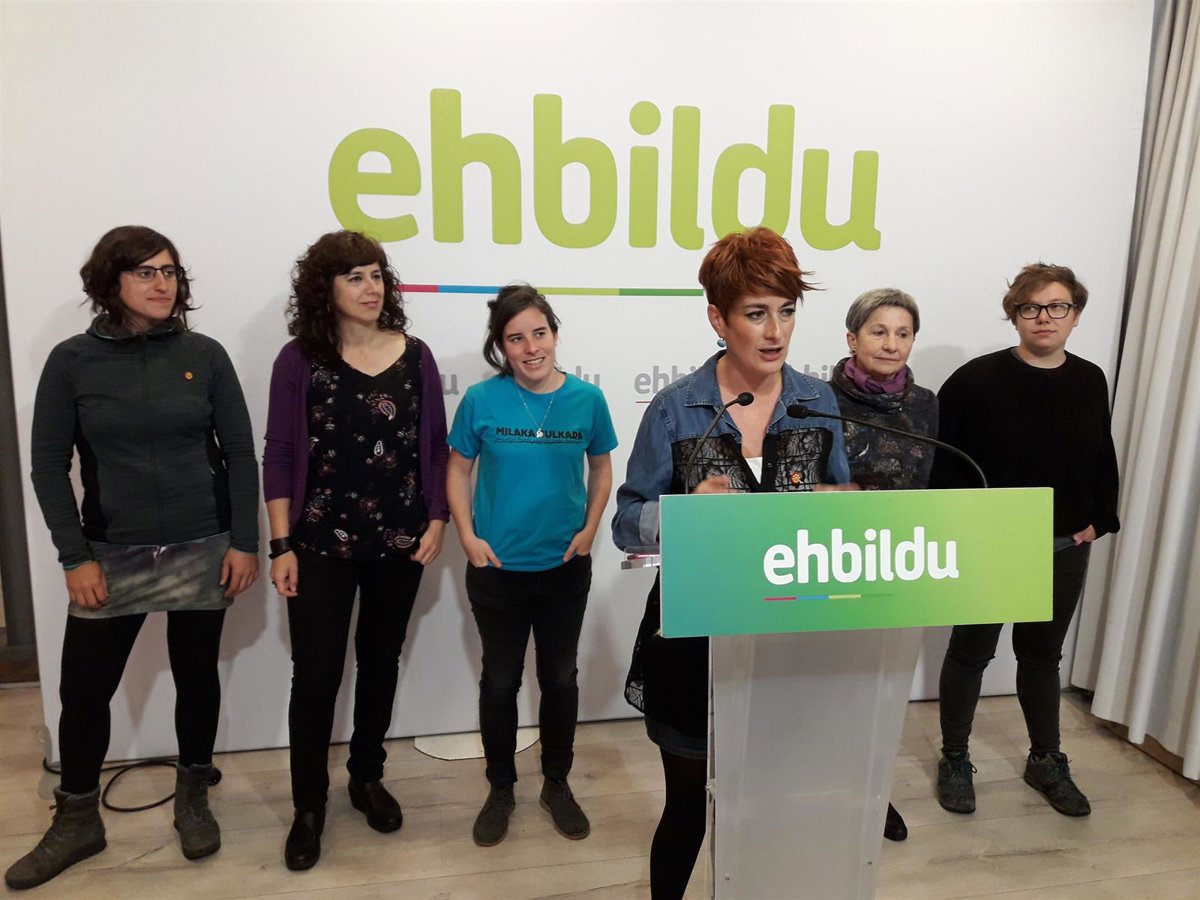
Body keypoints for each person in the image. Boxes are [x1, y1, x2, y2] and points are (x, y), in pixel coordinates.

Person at [7, 226, 259, 890]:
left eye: (170, 272)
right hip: (111, 552)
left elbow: (240, 454)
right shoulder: (72, 361)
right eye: (145, 272)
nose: (162, 283)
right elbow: (46, 465)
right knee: (83, 691)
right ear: (109, 281)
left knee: (196, 676)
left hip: (202, 546)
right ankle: (78, 820)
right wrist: (74, 557)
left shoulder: (204, 356)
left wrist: (244, 541)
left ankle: (192, 797)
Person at [613, 227, 850, 899]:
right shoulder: (676, 409)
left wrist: (842, 506)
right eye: (756, 313)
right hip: (695, 636)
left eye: (787, 310)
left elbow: (838, 503)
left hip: (788, 636)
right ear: (718, 319)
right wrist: (681, 514)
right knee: (688, 806)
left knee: (770, 805)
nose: (775, 332)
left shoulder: (818, 401)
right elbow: (626, 522)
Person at [262, 231, 449, 871]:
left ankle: (366, 776)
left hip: (400, 542)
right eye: (354, 278)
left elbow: (434, 448)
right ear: (326, 288)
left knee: (380, 662)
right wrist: (280, 544)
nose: (371, 289)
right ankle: (308, 806)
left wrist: (437, 518)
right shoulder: (299, 360)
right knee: (315, 676)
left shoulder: (415, 355)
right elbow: (279, 454)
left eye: (376, 275)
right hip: (317, 543)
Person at [932, 263, 1120, 818]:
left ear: (1076, 315)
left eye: (1058, 306)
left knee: (1041, 656)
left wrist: (1101, 519)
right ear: (1014, 315)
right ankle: (955, 758)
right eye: (1031, 307)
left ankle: (1046, 759)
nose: (1044, 317)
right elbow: (945, 465)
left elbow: (1101, 453)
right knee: (971, 652)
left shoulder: (1090, 379)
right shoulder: (974, 380)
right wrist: (967, 528)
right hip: (992, 543)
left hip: (1065, 545)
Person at [446, 284, 617, 847]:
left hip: (564, 568)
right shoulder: (481, 400)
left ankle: (556, 783)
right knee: (500, 680)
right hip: (497, 569)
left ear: (555, 334)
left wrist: (590, 529)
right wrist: (467, 535)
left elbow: (601, 468)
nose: (531, 347)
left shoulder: (587, 400)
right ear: (502, 346)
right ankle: (501, 788)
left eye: (539, 333)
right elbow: (457, 470)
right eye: (516, 338)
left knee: (560, 677)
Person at [829, 287, 938, 842]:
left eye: (903, 333)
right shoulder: (816, 400)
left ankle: (872, 791)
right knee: (830, 684)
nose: (891, 344)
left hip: (899, 563)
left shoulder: (927, 404)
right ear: (853, 338)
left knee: (881, 688)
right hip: (832, 561)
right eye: (879, 331)